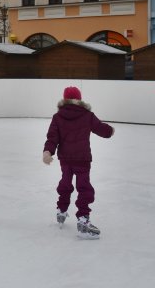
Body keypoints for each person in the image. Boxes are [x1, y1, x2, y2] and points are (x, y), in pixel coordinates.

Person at [43, 86, 114, 239]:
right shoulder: (87, 115)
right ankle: (83, 220)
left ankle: (61, 210)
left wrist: (47, 151)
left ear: (64, 99)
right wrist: (110, 130)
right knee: (84, 187)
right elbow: (101, 129)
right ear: (80, 99)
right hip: (82, 159)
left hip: (66, 159)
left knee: (65, 183)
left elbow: (52, 138)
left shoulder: (58, 117)